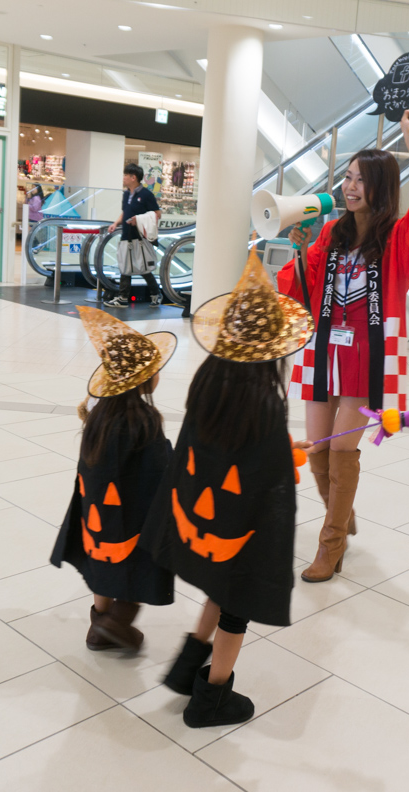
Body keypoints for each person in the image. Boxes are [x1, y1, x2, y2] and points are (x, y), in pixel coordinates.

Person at [139, 249, 314, 728]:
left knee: (218, 586)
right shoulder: (265, 403)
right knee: (238, 607)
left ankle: (189, 663)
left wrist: (282, 448)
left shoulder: (208, 383)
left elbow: (224, 453)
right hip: (240, 529)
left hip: (204, 517)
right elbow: (269, 486)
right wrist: (285, 457)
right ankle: (212, 698)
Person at [277, 107, 409, 584]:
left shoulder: (395, 236)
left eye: (360, 180)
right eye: (348, 177)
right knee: (316, 451)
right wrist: (298, 249)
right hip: (323, 350)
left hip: (367, 355)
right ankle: (342, 510)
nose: (350, 187)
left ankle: (330, 545)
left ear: (381, 188)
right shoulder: (331, 233)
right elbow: (303, 287)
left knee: (340, 450)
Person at [50, 306, 177, 651]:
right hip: (135, 515)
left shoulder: (98, 416)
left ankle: (98, 625)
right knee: (141, 562)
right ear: (143, 378)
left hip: (96, 511)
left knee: (101, 564)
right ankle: (116, 622)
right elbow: (160, 470)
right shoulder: (145, 420)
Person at [105, 163, 163, 308]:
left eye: (126, 175)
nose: (123, 178)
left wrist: (138, 219)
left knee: (143, 267)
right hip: (126, 235)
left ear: (133, 177)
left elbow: (157, 214)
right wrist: (116, 223)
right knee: (125, 266)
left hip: (140, 237)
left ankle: (156, 294)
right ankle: (123, 298)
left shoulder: (146, 195)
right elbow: (125, 212)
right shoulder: (126, 194)